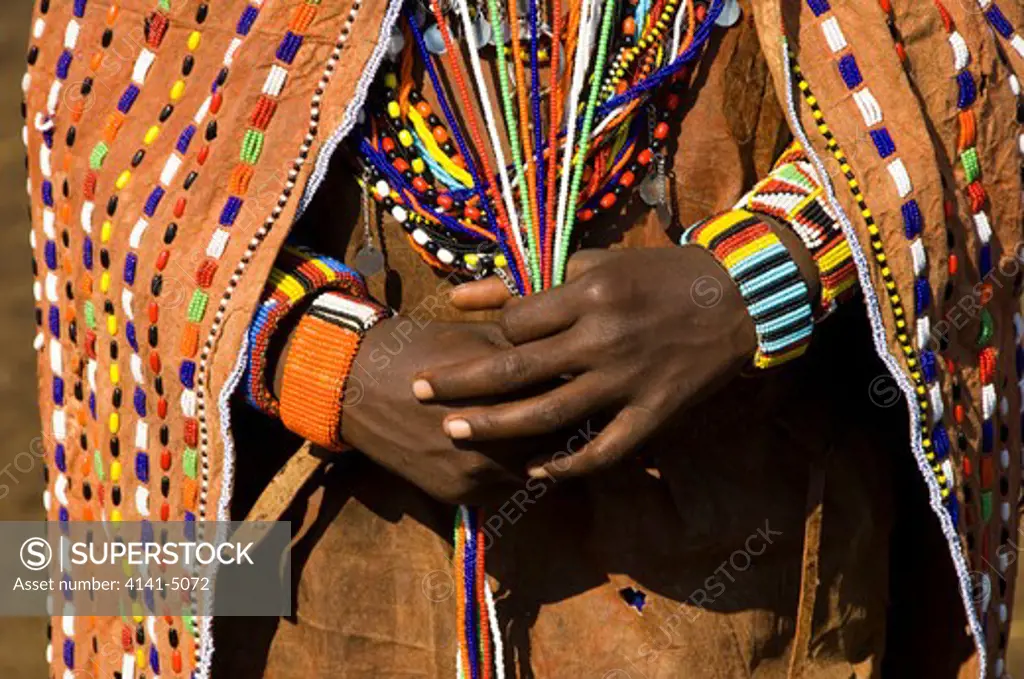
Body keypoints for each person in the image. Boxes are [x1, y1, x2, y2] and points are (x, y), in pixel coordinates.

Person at [21, 0, 1023, 676]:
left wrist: (752, 283)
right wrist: (320, 357)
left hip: (740, 586)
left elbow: (976, 74)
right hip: (315, 588)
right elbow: (107, 150)